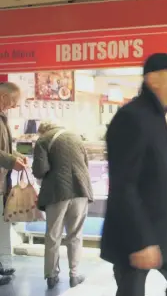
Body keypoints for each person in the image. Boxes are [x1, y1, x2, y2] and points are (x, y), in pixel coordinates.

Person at [101, 53, 167, 296]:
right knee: (131, 291)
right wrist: (141, 241)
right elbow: (124, 184)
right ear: (153, 79)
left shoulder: (155, 118)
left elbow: (155, 169)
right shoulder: (131, 118)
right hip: (135, 230)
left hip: (163, 229)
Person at [32, 121, 93, 289]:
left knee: (53, 235)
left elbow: (39, 170)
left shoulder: (43, 140)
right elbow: (86, 164)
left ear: (42, 131)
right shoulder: (75, 136)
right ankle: (74, 275)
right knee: (75, 235)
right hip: (81, 189)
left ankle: (51, 275)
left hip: (56, 192)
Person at [0, 82, 27, 286]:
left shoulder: (3, 119)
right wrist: (11, 161)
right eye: (13, 101)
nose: (14, 106)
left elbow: (5, 148)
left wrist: (16, 156)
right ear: (3, 97)